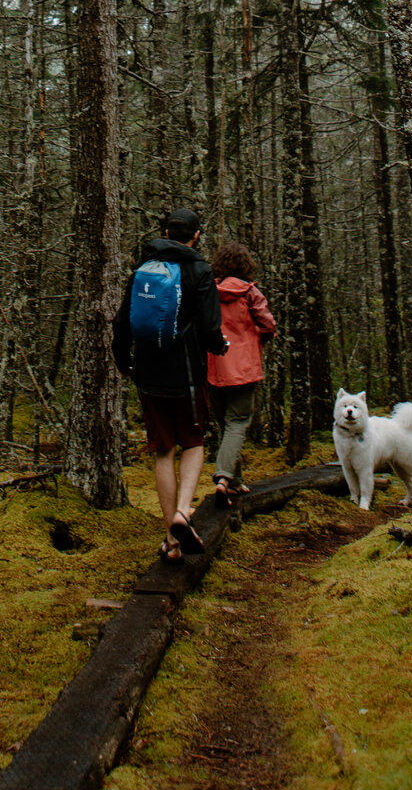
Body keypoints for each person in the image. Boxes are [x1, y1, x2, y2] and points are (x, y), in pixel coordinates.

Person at [112, 206, 228, 560]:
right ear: (195, 235)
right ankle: (182, 513)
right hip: (188, 374)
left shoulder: (142, 269)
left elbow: (122, 322)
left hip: (148, 373)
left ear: (165, 232)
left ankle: (173, 540)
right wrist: (219, 346)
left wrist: (124, 361)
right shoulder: (200, 270)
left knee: (163, 450)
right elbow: (210, 328)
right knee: (193, 442)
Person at [208, 239, 277, 506]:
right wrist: (261, 338)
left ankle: (233, 482)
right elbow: (268, 323)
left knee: (226, 423)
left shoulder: (209, 292)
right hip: (244, 367)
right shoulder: (250, 293)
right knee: (238, 422)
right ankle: (224, 477)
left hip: (215, 365)